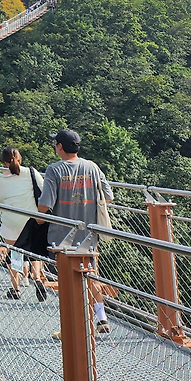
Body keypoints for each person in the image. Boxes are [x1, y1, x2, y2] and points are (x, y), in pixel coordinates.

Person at [38, 129, 114, 334]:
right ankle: (101, 318)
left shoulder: (54, 170)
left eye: (55, 144)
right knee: (91, 276)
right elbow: (108, 197)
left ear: (60, 146)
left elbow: (45, 205)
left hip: (61, 237)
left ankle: (69, 327)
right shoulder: (93, 167)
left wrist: (37, 216)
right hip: (88, 234)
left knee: (65, 282)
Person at [0, 147, 47, 301]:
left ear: (4, 162)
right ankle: (37, 278)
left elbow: (1, 200)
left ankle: (16, 289)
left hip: (11, 221)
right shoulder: (31, 172)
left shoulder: (0, 178)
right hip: (31, 219)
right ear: (20, 158)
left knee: (15, 252)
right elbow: (44, 191)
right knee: (34, 252)